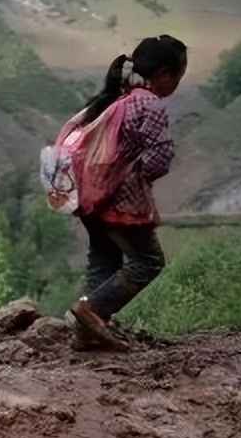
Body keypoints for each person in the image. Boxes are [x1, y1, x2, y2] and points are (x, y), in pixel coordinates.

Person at [67, 34, 188, 350]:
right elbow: (158, 160)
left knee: (104, 258)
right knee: (148, 260)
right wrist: (137, 180)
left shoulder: (115, 97)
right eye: (178, 76)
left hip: (86, 194)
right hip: (119, 201)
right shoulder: (149, 104)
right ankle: (92, 310)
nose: (176, 84)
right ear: (163, 74)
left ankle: (88, 329)